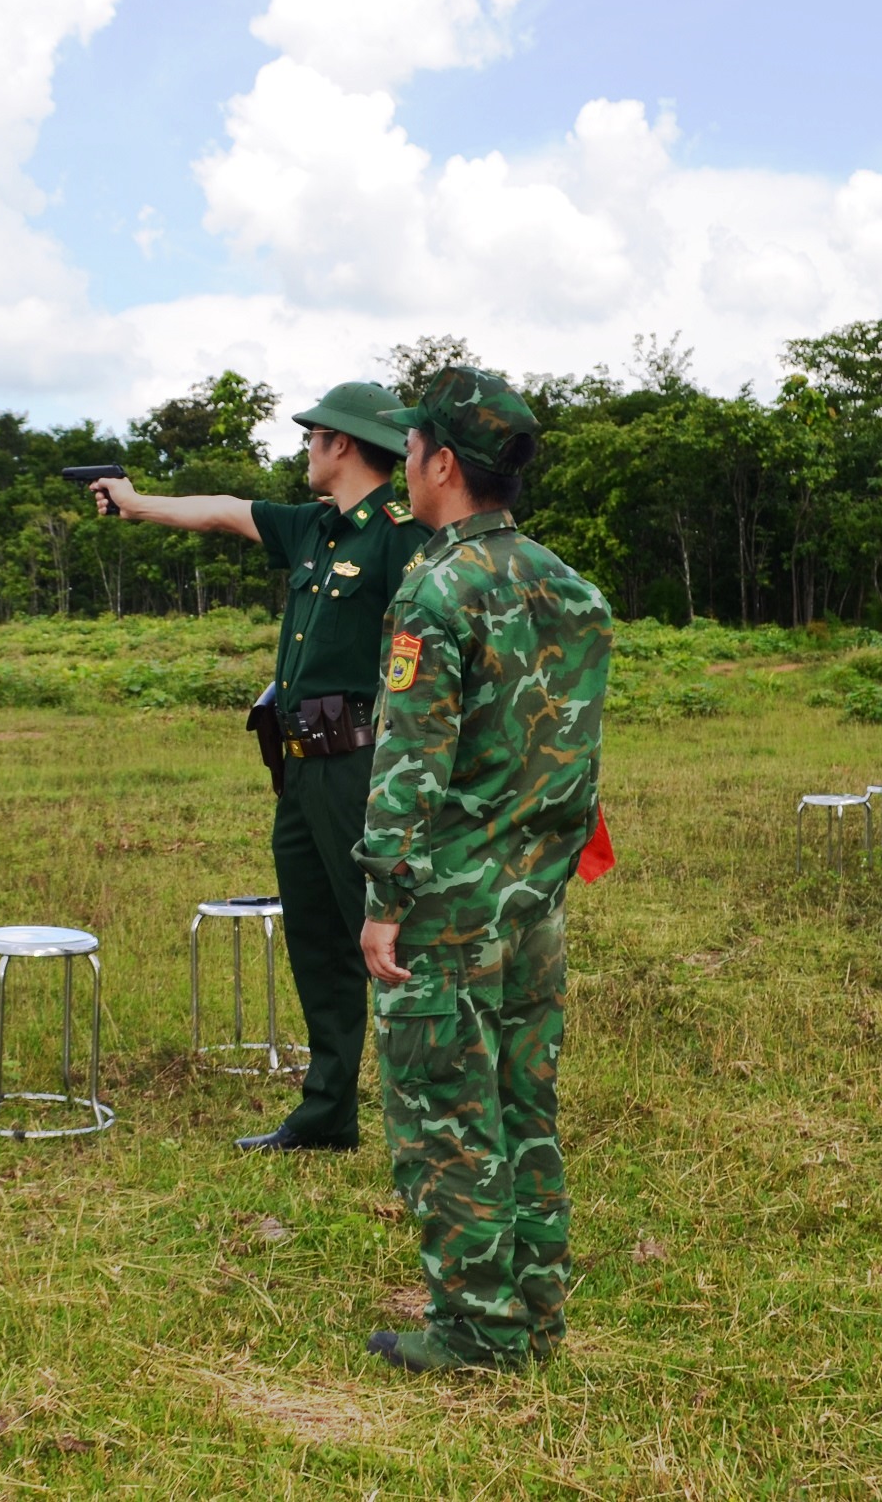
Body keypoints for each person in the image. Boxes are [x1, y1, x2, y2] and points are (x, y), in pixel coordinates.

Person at [87, 382, 431, 1152]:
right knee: (316, 942)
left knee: (388, 942)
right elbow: (221, 510)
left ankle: (433, 1117)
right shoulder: (312, 527)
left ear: (340, 444)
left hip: (363, 767)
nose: (305, 450)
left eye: (313, 438)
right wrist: (135, 502)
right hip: (301, 767)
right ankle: (327, 1114)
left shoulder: (400, 536)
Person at [352, 366, 612, 1375]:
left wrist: (385, 901)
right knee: (520, 1104)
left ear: (443, 461)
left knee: (445, 1117)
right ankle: (533, 1308)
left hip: (451, 904)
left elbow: (408, 760)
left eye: (410, 450)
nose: (403, 467)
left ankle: (474, 1329)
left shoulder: (438, 584)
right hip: (532, 901)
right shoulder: (568, 588)